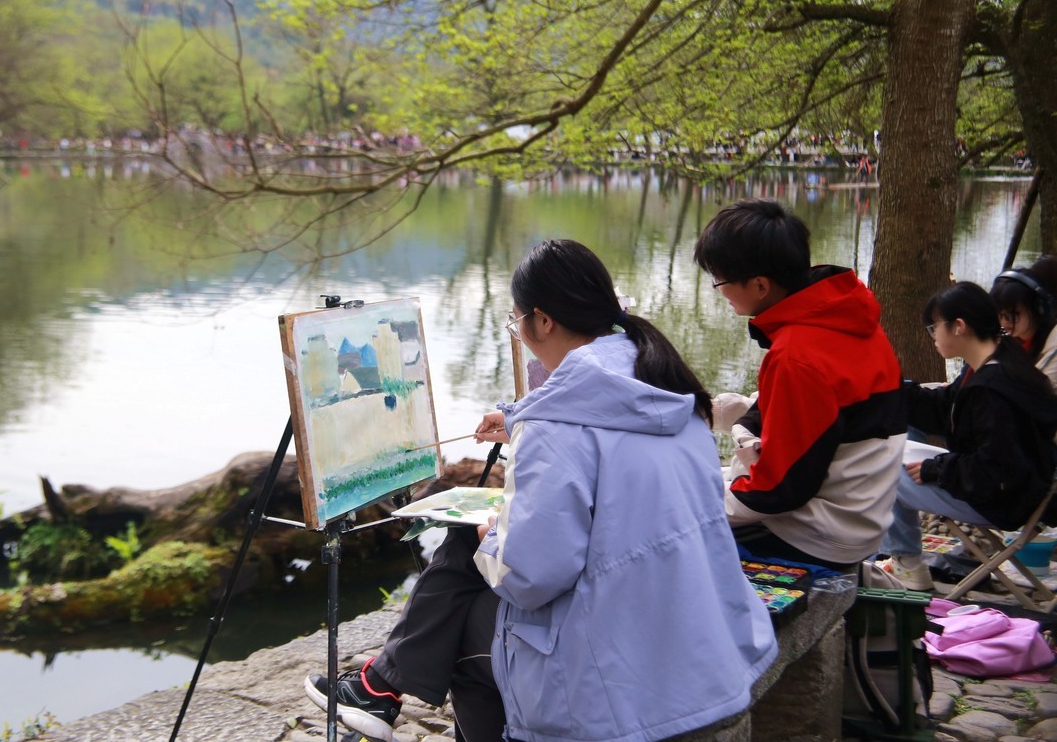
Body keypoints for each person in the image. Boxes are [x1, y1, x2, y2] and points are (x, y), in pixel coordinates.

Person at [305, 239, 778, 742]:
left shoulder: (554, 429)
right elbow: (603, 426)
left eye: (516, 322)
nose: (519, 334)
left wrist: (492, 534)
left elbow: (529, 576)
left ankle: (384, 688)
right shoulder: (668, 388)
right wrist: (517, 421)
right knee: (472, 572)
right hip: (700, 640)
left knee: (466, 623)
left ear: (543, 321)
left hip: (628, 677)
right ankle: (380, 688)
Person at [693, 198, 907, 569]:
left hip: (820, 534)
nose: (719, 291)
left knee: (671, 536)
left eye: (720, 281)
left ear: (760, 285)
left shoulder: (797, 354)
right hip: (863, 517)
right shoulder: (849, 318)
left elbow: (779, 489)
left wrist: (699, 505)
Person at [880, 282, 1057, 590]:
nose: (934, 336)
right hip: (1015, 489)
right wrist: (891, 387)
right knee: (898, 440)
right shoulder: (996, 364)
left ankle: (907, 564)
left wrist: (938, 468)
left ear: (958, 327)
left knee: (884, 469)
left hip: (1004, 501)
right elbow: (942, 408)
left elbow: (996, 470)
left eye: (935, 327)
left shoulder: (993, 390)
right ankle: (905, 560)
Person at [990, 259, 1057, 389]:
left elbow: (1035, 395)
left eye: (1011, 315)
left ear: (1037, 308)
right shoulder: (1013, 340)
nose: (1003, 322)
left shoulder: (1054, 346)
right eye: (999, 315)